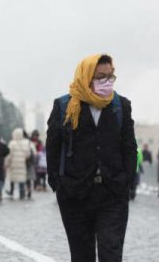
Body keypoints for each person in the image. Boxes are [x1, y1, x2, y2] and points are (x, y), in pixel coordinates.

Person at [46, 54, 137, 262]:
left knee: (111, 253)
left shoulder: (120, 106)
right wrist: (58, 183)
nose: (107, 82)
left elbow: (130, 147)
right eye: (100, 77)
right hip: (74, 194)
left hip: (112, 193)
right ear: (86, 77)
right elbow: (53, 146)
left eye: (110, 77)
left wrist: (126, 180)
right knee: (81, 256)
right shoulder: (64, 107)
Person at [5, 128, 34, 200]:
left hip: (13, 165)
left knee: (13, 178)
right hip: (22, 164)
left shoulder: (12, 143)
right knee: (21, 179)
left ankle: (12, 191)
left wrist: (6, 163)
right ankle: (22, 194)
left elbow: (9, 155)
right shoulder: (26, 142)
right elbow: (28, 154)